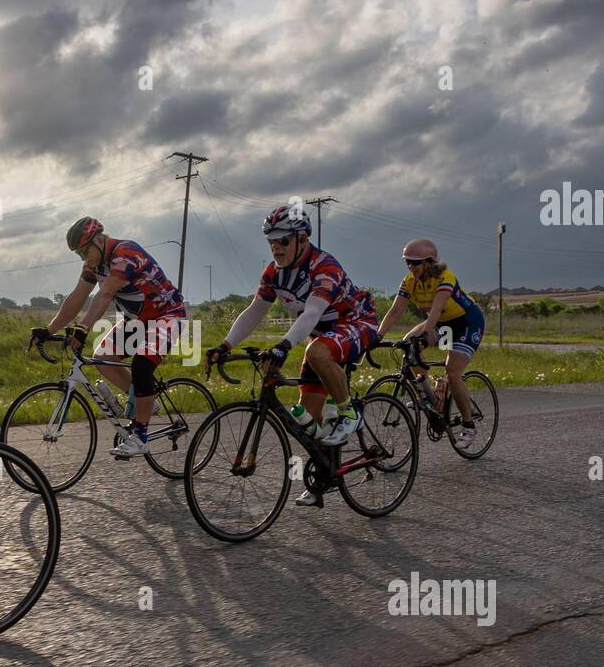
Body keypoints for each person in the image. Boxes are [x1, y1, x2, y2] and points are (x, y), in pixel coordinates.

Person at [205, 204, 379, 507]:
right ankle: (324, 477)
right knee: (307, 419)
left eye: (283, 239)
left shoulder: (324, 266)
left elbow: (312, 312)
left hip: (355, 322)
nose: (276, 246)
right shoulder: (273, 272)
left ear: (302, 239)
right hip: (320, 334)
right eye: (271, 239)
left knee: (316, 350)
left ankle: (350, 413)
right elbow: (254, 312)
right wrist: (225, 345)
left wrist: (283, 346)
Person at [31, 216, 187, 457]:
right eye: (79, 255)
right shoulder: (94, 265)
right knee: (104, 356)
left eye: (85, 252)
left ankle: (141, 436)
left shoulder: (125, 253)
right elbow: (77, 297)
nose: (84, 258)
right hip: (137, 322)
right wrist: (49, 329)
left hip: (167, 315)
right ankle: (145, 400)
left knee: (142, 365)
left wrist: (83, 328)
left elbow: (104, 295)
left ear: (100, 240)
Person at [375, 239, 485, 450]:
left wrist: (425, 335)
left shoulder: (445, 277)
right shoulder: (409, 281)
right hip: (442, 323)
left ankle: (468, 425)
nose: (410, 267)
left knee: (453, 371)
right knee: (409, 345)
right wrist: (377, 336)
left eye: (415, 263)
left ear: (429, 262)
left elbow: (435, 311)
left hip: (466, 322)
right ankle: (433, 398)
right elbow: (395, 311)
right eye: (407, 262)